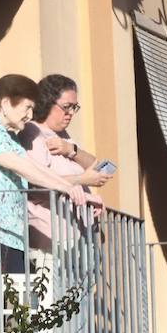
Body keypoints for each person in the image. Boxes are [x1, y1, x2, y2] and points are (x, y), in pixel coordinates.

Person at [0, 74, 87, 318]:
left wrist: (65, 185)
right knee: (5, 311)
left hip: (13, 235)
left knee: (21, 312)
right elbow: (22, 167)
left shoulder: (7, 133)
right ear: (7, 104)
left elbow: (30, 166)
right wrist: (64, 186)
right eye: (27, 107)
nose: (30, 115)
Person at [20, 74, 112, 252]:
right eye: (66, 107)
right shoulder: (32, 132)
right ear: (47, 102)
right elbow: (37, 184)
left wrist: (71, 150)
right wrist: (82, 179)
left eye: (74, 107)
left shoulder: (64, 136)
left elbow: (97, 164)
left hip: (78, 237)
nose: (70, 113)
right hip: (51, 236)